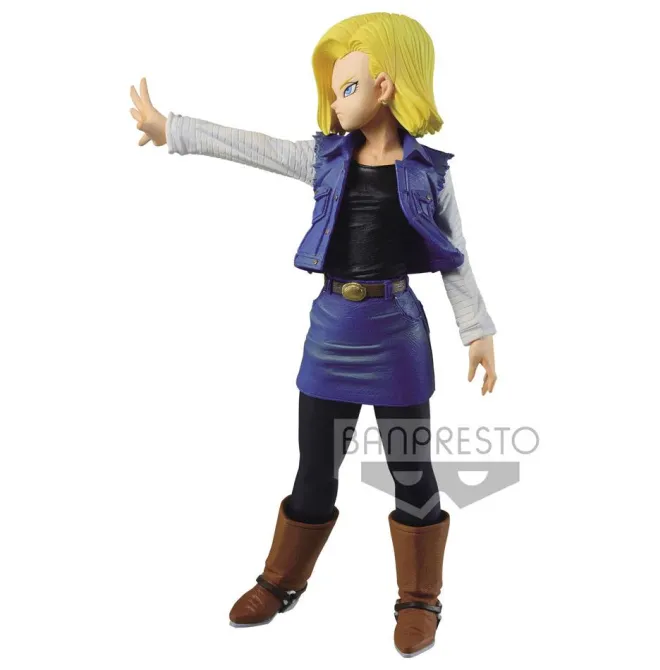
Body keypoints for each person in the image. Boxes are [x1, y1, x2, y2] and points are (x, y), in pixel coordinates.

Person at [129, 11, 497, 658]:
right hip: (332, 334)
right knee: (316, 469)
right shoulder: (324, 159)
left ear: (385, 86)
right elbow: (254, 147)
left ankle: (420, 597)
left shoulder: (430, 172)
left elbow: (456, 256)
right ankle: (281, 580)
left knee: (411, 470)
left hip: (398, 337)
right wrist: (173, 129)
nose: (335, 100)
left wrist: (477, 330)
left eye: (346, 87)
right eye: (332, 89)